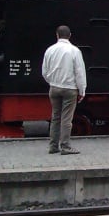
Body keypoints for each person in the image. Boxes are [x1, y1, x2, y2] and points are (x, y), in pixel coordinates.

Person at [41, 25, 87, 155]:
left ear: (57, 35)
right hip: (69, 89)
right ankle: (65, 146)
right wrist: (82, 90)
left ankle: (53, 146)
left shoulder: (49, 50)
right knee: (66, 119)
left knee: (55, 117)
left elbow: (44, 71)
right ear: (70, 35)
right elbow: (79, 73)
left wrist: (52, 82)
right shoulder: (74, 51)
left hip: (54, 88)